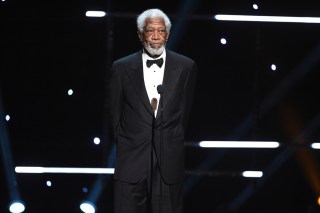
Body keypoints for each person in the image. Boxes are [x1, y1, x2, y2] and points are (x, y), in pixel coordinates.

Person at [106, 8, 197, 213]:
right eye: (150, 31)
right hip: (131, 162)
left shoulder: (186, 67)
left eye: (161, 31)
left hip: (168, 163)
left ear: (167, 34)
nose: (156, 36)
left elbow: (184, 113)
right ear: (140, 35)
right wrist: (128, 142)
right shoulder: (121, 67)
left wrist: (170, 138)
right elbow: (115, 113)